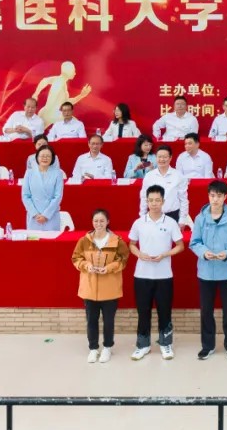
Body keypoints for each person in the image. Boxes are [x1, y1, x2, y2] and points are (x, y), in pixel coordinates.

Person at [190, 180, 227, 361]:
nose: (215, 199)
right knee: (206, 311)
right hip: (206, 271)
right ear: (208, 196)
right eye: (212, 195)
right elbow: (194, 242)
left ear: (225, 197)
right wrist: (204, 253)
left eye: (219, 196)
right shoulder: (200, 218)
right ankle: (208, 346)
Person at [128, 185, 185, 361]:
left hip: (164, 276)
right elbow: (131, 244)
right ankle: (142, 345)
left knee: (164, 311)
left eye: (157, 200)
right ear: (146, 201)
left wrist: (165, 254)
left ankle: (166, 343)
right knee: (143, 312)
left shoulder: (170, 223)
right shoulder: (139, 222)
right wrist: (139, 254)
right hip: (142, 276)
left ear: (163, 201)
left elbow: (180, 246)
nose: (154, 203)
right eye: (151, 200)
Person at [72, 208, 130, 364]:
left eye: (102, 221)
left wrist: (109, 268)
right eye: (96, 221)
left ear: (108, 222)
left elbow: (123, 259)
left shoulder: (117, 241)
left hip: (110, 289)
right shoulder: (84, 241)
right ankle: (93, 348)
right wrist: (86, 265)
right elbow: (76, 258)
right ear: (92, 222)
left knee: (108, 321)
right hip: (89, 289)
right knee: (91, 320)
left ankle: (107, 347)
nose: (99, 224)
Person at [139, 145, 190, 225]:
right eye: (159, 157)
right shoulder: (149, 176)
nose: (162, 159)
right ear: (156, 158)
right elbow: (144, 197)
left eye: (165, 157)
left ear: (170, 158)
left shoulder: (178, 175)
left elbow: (183, 199)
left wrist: (182, 219)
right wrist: (142, 216)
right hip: (153, 215)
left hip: (173, 215)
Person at [21, 145, 64, 230]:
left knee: (51, 238)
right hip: (34, 217)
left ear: (52, 158)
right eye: (42, 156)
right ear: (37, 157)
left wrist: (46, 215)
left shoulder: (58, 173)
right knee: (34, 238)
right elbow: (25, 195)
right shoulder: (29, 173)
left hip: (51, 216)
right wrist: (35, 214)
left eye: (48, 156)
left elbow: (58, 196)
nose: (45, 158)